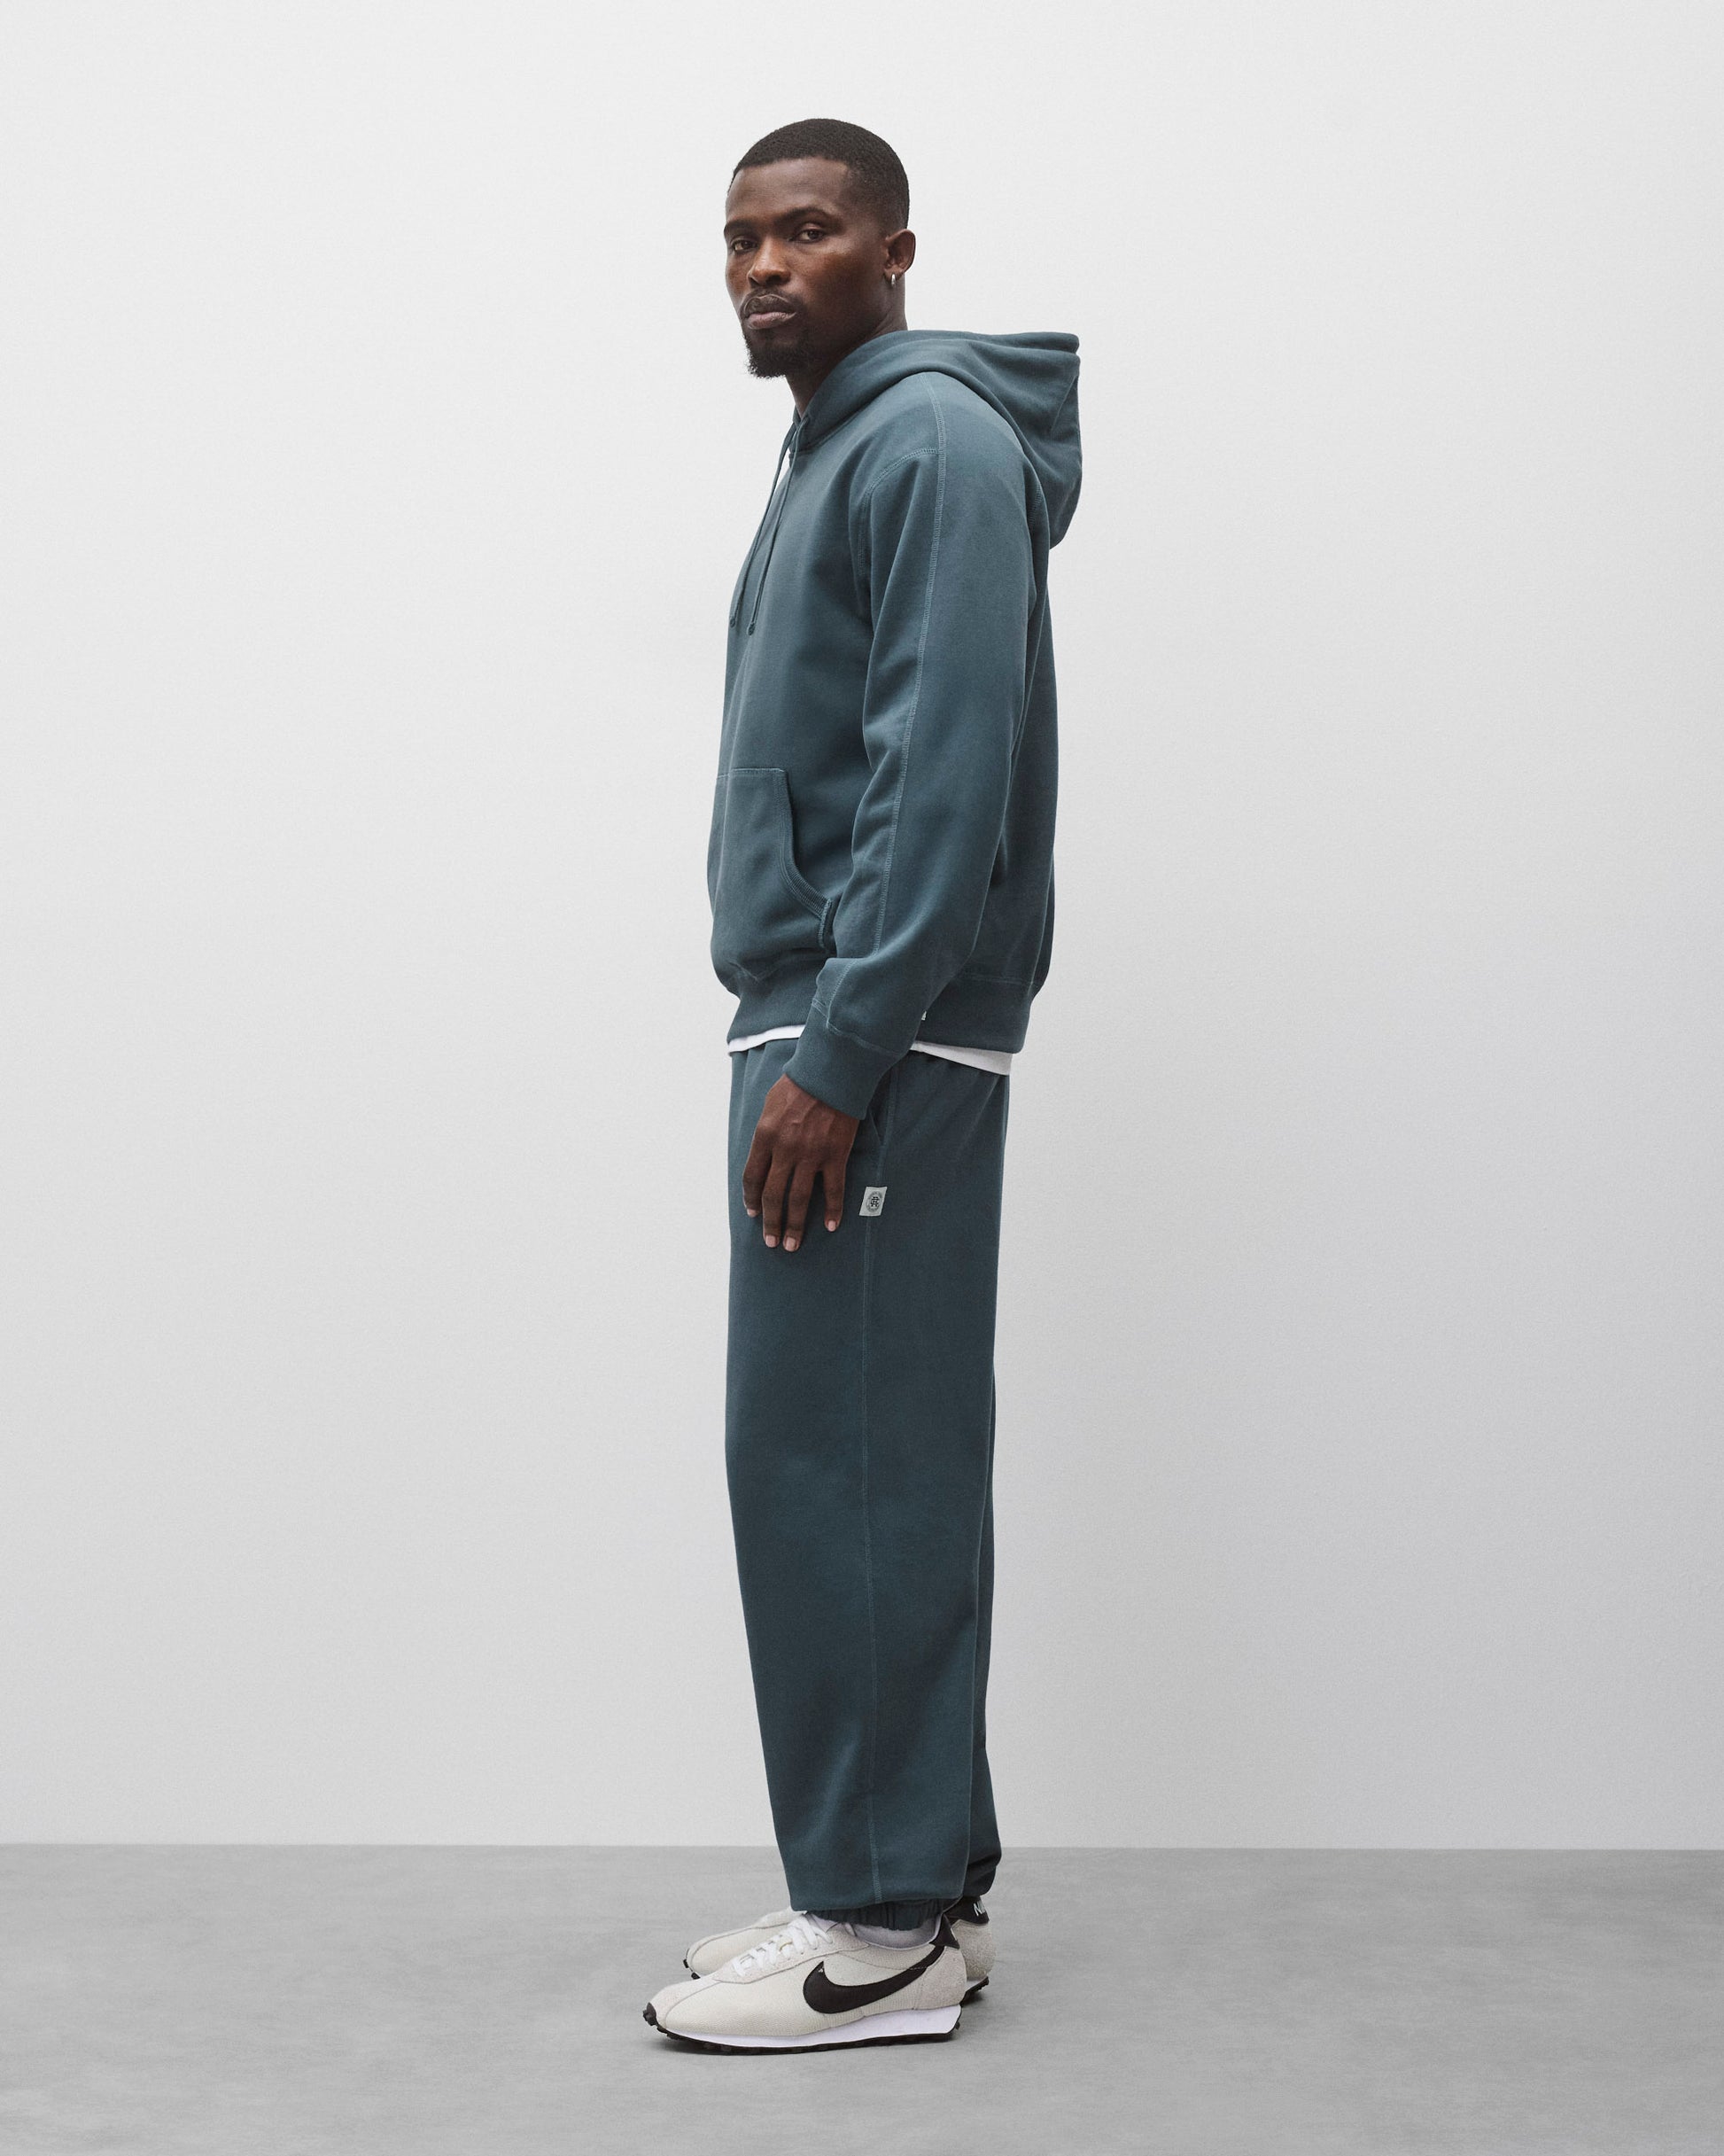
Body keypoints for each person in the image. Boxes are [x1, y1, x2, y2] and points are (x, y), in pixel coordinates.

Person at [644, 117, 1081, 2054]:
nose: (763, 265)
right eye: (739, 237)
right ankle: (893, 1877)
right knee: (835, 1453)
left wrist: (840, 1045)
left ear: (895, 253)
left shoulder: (928, 445)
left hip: (870, 1033)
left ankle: (881, 1925)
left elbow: (940, 766)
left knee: (846, 1465)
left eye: (806, 230)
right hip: (834, 1014)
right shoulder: (842, 442)